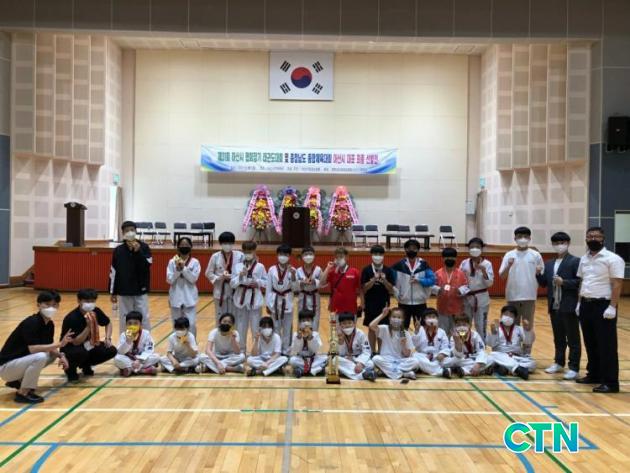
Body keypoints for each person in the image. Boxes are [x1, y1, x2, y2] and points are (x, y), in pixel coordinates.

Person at [575, 226, 625, 393]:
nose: (593, 239)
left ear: (603, 239)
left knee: (606, 345)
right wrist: (579, 303)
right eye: (590, 236)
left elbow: (617, 284)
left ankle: (610, 382)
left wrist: (612, 306)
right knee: (590, 342)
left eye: (596, 236)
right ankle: (594, 374)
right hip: (586, 304)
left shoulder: (613, 259)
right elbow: (582, 282)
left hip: (603, 306)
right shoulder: (584, 259)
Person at [0, 291, 72, 404]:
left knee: (51, 355)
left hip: (18, 364)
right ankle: (22, 393)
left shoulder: (49, 324)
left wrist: (61, 355)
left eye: (54, 305)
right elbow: (33, 349)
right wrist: (60, 344)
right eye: (47, 304)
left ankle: (17, 381)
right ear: (38, 305)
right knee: (40, 356)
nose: (51, 308)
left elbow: (49, 346)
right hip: (6, 367)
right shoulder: (32, 322)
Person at [536, 232, 581, 380]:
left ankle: (574, 367)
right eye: (556, 243)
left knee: (573, 338)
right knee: (558, 337)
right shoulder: (549, 263)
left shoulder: (575, 261)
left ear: (568, 243)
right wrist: (538, 274)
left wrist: (564, 282)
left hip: (569, 304)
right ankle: (559, 362)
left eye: (562, 242)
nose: (559, 245)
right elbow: (544, 283)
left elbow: (580, 282)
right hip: (554, 305)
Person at [59, 288, 117, 382]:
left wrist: (108, 338)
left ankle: (86, 365)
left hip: (88, 343)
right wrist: (88, 327)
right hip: (70, 348)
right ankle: (70, 370)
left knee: (111, 350)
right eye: (86, 301)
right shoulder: (72, 318)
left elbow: (108, 323)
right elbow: (76, 342)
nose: (90, 304)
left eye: (92, 301)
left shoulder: (95, 311)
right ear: (79, 301)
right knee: (80, 352)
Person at [109, 220, 152, 331]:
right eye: (127, 230)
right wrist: (113, 291)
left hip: (140, 289)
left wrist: (138, 252)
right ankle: (125, 340)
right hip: (124, 290)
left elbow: (147, 265)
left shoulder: (144, 247)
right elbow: (113, 272)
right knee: (125, 318)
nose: (130, 232)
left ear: (136, 231)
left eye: (132, 230)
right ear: (123, 233)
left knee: (144, 316)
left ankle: (145, 340)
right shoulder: (118, 250)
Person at [498, 226, 544, 328]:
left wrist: (538, 272)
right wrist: (508, 265)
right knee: (511, 327)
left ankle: (527, 340)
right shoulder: (509, 254)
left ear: (529, 238)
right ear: (515, 238)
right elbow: (502, 276)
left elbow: (542, 277)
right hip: (512, 296)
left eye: (525, 236)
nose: (522, 239)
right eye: (519, 236)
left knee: (528, 327)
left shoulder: (536, 255)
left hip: (529, 296)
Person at [230, 241, 267, 353]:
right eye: (245, 251)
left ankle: (257, 351)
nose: (248, 253)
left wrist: (258, 282)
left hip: (255, 299)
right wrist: (240, 277)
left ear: (254, 251)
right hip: (240, 299)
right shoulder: (237, 266)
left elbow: (267, 282)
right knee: (240, 327)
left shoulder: (260, 266)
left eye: (250, 251)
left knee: (256, 327)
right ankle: (241, 350)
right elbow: (232, 284)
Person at [391, 239, 435, 330]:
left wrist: (419, 280)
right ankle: (403, 340)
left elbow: (432, 280)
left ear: (418, 250)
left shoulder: (424, 264)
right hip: (403, 303)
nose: (411, 250)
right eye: (409, 248)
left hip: (420, 303)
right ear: (405, 249)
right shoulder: (398, 265)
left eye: (414, 248)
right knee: (402, 329)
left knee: (421, 330)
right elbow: (391, 282)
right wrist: (397, 294)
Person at [361, 245, 396, 352]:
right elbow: (364, 288)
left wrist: (384, 280)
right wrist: (373, 280)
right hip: (370, 303)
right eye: (375, 254)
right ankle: (372, 352)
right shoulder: (366, 270)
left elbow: (391, 289)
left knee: (382, 329)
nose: (378, 256)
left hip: (384, 304)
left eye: (380, 254)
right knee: (371, 328)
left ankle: (381, 352)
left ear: (383, 256)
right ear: (371, 255)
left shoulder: (388, 270)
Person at [485, 305, 535, 380]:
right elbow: (490, 344)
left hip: (515, 357)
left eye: (511, 315)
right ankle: (516, 369)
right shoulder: (496, 328)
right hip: (500, 355)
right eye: (506, 314)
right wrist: (493, 333)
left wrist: (528, 330)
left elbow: (528, 342)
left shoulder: (519, 329)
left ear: (515, 318)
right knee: (492, 355)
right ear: (501, 315)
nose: (508, 317)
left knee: (532, 364)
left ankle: (506, 368)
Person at [369, 307, 418, 381]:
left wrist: (403, 345)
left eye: (399, 317)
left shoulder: (405, 333)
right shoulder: (384, 329)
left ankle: (390, 372)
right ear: (389, 318)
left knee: (415, 362)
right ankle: (403, 374)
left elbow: (407, 355)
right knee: (376, 359)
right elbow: (371, 326)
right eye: (394, 317)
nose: (396, 319)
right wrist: (383, 315)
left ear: (403, 320)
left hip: (400, 361)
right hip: (386, 359)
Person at [205, 231, 243, 325]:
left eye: (229, 243)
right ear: (221, 244)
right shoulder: (215, 256)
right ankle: (220, 333)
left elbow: (243, 272)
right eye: (225, 243)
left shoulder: (240, 256)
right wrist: (220, 277)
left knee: (234, 318)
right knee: (220, 317)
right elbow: (208, 273)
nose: (227, 245)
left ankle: (233, 334)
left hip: (235, 290)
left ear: (233, 243)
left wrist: (233, 277)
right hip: (220, 290)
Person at [459, 238, 494, 338]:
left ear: (482, 249)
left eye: (477, 247)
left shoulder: (487, 264)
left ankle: (482, 345)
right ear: (468, 249)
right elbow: (460, 280)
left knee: (481, 325)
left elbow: (490, 283)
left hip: (481, 298)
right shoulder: (464, 263)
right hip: (466, 297)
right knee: (464, 324)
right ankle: (463, 344)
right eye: (472, 247)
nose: (474, 249)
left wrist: (483, 271)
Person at [266, 244, 298, 354]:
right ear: (277, 255)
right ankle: (277, 350)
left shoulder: (293, 270)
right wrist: (267, 304)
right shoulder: (272, 269)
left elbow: (296, 288)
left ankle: (286, 350)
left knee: (287, 328)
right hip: (274, 300)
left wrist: (293, 275)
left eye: (285, 254)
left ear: (289, 256)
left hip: (287, 300)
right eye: (280, 254)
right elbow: (268, 288)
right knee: (275, 327)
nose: (282, 256)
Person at [166, 237, 201, 336]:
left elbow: (193, 279)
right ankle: (176, 344)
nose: (184, 247)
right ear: (178, 247)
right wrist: (177, 270)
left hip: (189, 297)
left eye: (186, 245)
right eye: (182, 245)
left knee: (191, 324)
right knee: (176, 325)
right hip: (175, 296)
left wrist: (183, 268)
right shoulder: (172, 262)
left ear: (191, 247)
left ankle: (192, 344)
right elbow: (169, 280)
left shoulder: (195, 262)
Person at [432, 248, 468, 335]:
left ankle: (459, 344)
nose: (449, 259)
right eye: (447, 257)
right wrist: (438, 290)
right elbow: (432, 286)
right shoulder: (438, 273)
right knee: (442, 332)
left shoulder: (461, 273)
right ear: (442, 259)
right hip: (442, 308)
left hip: (457, 308)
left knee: (458, 333)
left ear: (456, 258)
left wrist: (460, 291)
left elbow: (466, 286)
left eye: (452, 257)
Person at [320, 247, 362, 318]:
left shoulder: (355, 272)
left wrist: (362, 304)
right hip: (335, 309)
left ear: (347, 257)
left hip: (351, 308)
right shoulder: (332, 272)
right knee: (335, 325)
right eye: (337, 257)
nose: (339, 259)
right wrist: (327, 268)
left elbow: (361, 289)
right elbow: (322, 283)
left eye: (341, 257)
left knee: (351, 325)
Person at [114, 311, 159, 377]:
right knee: (117, 358)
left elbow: (149, 350)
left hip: (141, 359)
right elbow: (120, 352)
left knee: (156, 356)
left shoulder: (146, 334)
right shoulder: (124, 335)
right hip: (129, 359)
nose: (132, 326)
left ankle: (130, 369)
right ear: (126, 325)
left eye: (135, 323)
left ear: (140, 324)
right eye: (129, 323)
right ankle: (144, 370)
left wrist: (139, 360)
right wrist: (128, 342)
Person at [411, 308, 451, 378]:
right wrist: (416, 331)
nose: (431, 319)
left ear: (437, 319)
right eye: (429, 317)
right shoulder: (420, 329)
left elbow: (446, 346)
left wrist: (442, 353)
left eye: (433, 317)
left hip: (437, 357)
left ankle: (424, 368)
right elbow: (415, 345)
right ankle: (441, 371)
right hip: (423, 356)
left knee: (450, 360)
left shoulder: (441, 331)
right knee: (414, 356)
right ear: (424, 319)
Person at [336, 312, 376, 381]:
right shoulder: (338, 335)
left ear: (354, 324)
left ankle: (347, 371)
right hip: (346, 359)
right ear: (340, 325)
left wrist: (360, 363)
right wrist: (341, 341)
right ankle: (363, 374)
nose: (347, 325)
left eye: (349, 323)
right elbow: (340, 354)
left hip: (358, 359)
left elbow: (367, 351)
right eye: (344, 323)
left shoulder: (361, 334)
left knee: (370, 364)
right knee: (334, 360)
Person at [288, 310, 327, 377]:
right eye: (303, 321)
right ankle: (315, 370)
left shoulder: (315, 334)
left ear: (312, 322)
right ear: (299, 322)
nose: (306, 323)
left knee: (325, 358)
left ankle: (301, 370)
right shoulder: (296, 335)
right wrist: (299, 338)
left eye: (308, 320)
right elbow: (296, 350)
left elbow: (316, 350)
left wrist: (310, 337)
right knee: (292, 360)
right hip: (301, 359)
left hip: (313, 359)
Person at [295, 246, 322, 331]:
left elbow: (323, 284)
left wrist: (315, 281)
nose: (308, 256)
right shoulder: (298, 270)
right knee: (302, 320)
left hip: (314, 297)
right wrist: (301, 282)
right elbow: (295, 286)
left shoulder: (318, 269)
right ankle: (301, 338)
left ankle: (314, 337)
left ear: (314, 256)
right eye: (306, 254)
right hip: (303, 296)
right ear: (302, 256)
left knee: (315, 320)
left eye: (310, 254)